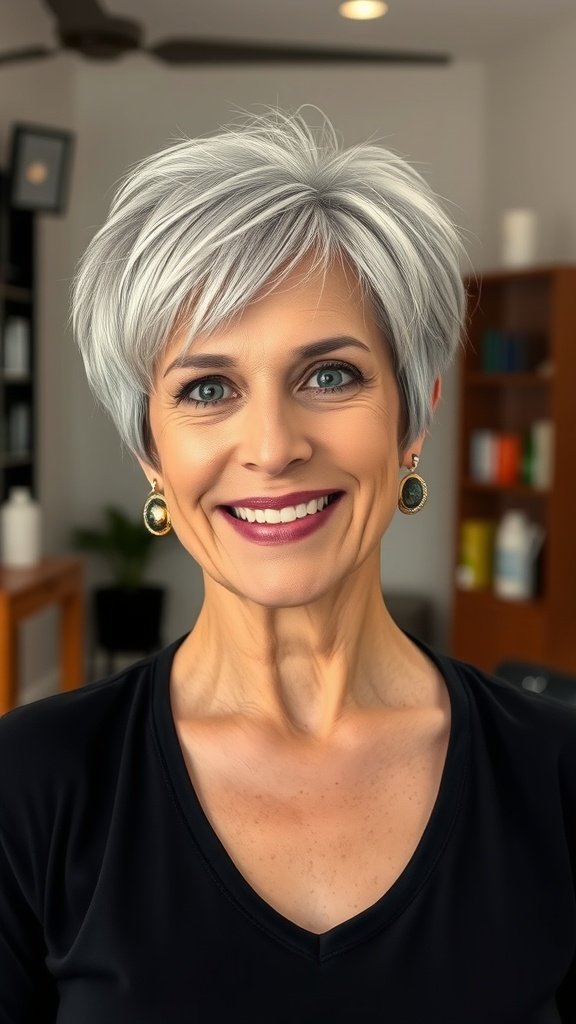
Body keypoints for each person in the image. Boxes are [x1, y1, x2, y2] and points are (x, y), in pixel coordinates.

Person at [0, 105, 574, 1024]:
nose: (270, 447)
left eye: (330, 375)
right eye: (208, 389)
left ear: (414, 415)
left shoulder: (556, 778)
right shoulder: (28, 788)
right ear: (151, 452)